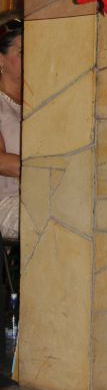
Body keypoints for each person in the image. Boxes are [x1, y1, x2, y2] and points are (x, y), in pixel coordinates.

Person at [0, 14, 22, 241]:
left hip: (42, 192)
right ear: (1, 59)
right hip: (6, 202)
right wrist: (43, 169)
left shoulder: (38, 102)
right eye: (22, 52)